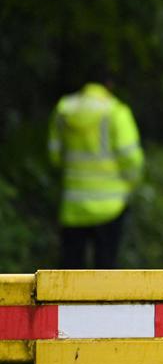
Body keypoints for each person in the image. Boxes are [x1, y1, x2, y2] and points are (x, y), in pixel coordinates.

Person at [48, 78, 144, 269]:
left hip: (73, 207)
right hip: (110, 207)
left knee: (70, 272)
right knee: (106, 270)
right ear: (109, 85)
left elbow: (55, 156)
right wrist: (131, 185)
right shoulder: (116, 111)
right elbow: (131, 159)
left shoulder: (64, 110)